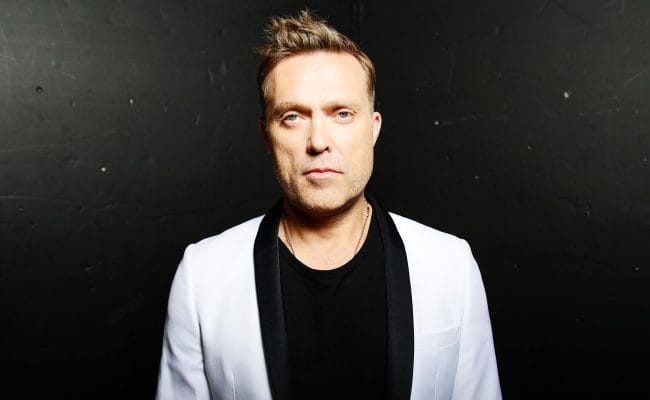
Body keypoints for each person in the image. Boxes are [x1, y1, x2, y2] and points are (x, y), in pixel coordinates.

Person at [156, 10, 501, 400]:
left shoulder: (452, 266)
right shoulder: (203, 277)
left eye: (342, 114)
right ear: (266, 135)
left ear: (373, 127)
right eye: (292, 117)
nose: (318, 141)